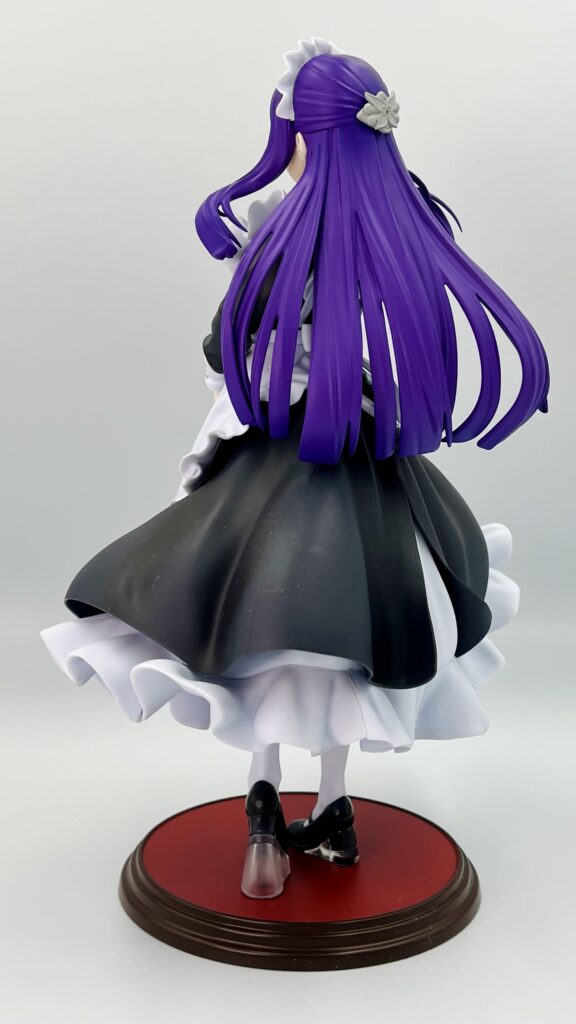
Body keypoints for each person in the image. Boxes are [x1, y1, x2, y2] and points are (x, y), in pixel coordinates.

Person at [41, 39, 549, 900]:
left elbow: (230, 344)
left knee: (256, 626)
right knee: (357, 640)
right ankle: (335, 809)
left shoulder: (283, 231)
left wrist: (255, 348)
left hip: (287, 449)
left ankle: (266, 805)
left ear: (308, 136)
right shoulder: (404, 220)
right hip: (364, 453)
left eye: (294, 131)